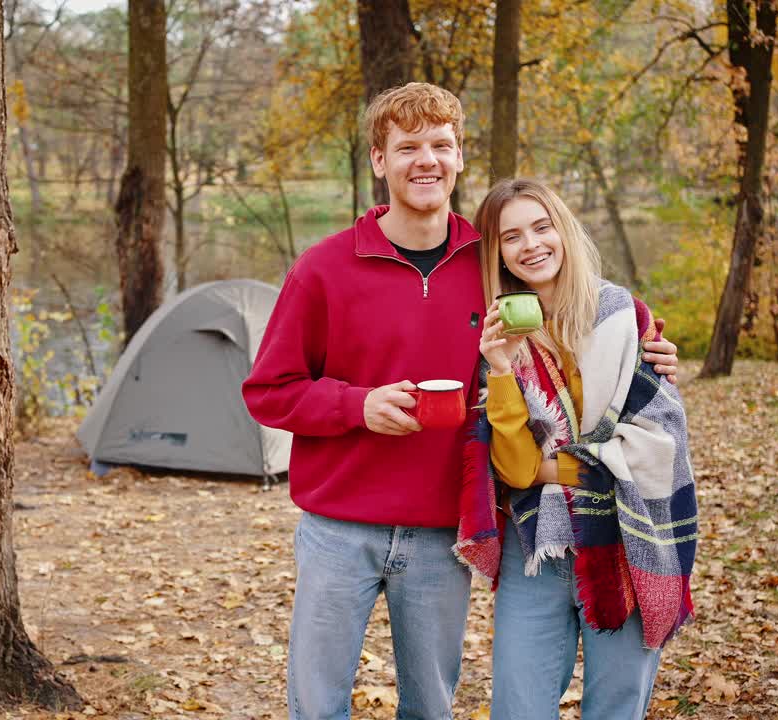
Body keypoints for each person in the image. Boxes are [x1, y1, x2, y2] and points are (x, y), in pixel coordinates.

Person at [242, 83, 680, 720]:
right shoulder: (323, 269)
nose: (426, 160)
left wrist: (652, 349)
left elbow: (577, 317)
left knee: (431, 709)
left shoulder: (494, 262)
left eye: (441, 145)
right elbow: (267, 391)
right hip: (338, 529)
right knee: (317, 706)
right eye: (408, 147)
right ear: (378, 161)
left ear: (460, 156)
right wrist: (355, 406)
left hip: (443, 533)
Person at [460, 178, 698, 719]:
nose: (531, 245)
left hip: (626, 539)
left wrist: (554, 467)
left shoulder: (623, 316)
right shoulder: (499, 336)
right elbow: (515, 470)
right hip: (536, 547)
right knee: (517, 709)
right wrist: (500, 369)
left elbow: (658, 442)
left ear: (563, 229)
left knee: (616, 707)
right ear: (496, 254)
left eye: (542, 227)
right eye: (511, 236)